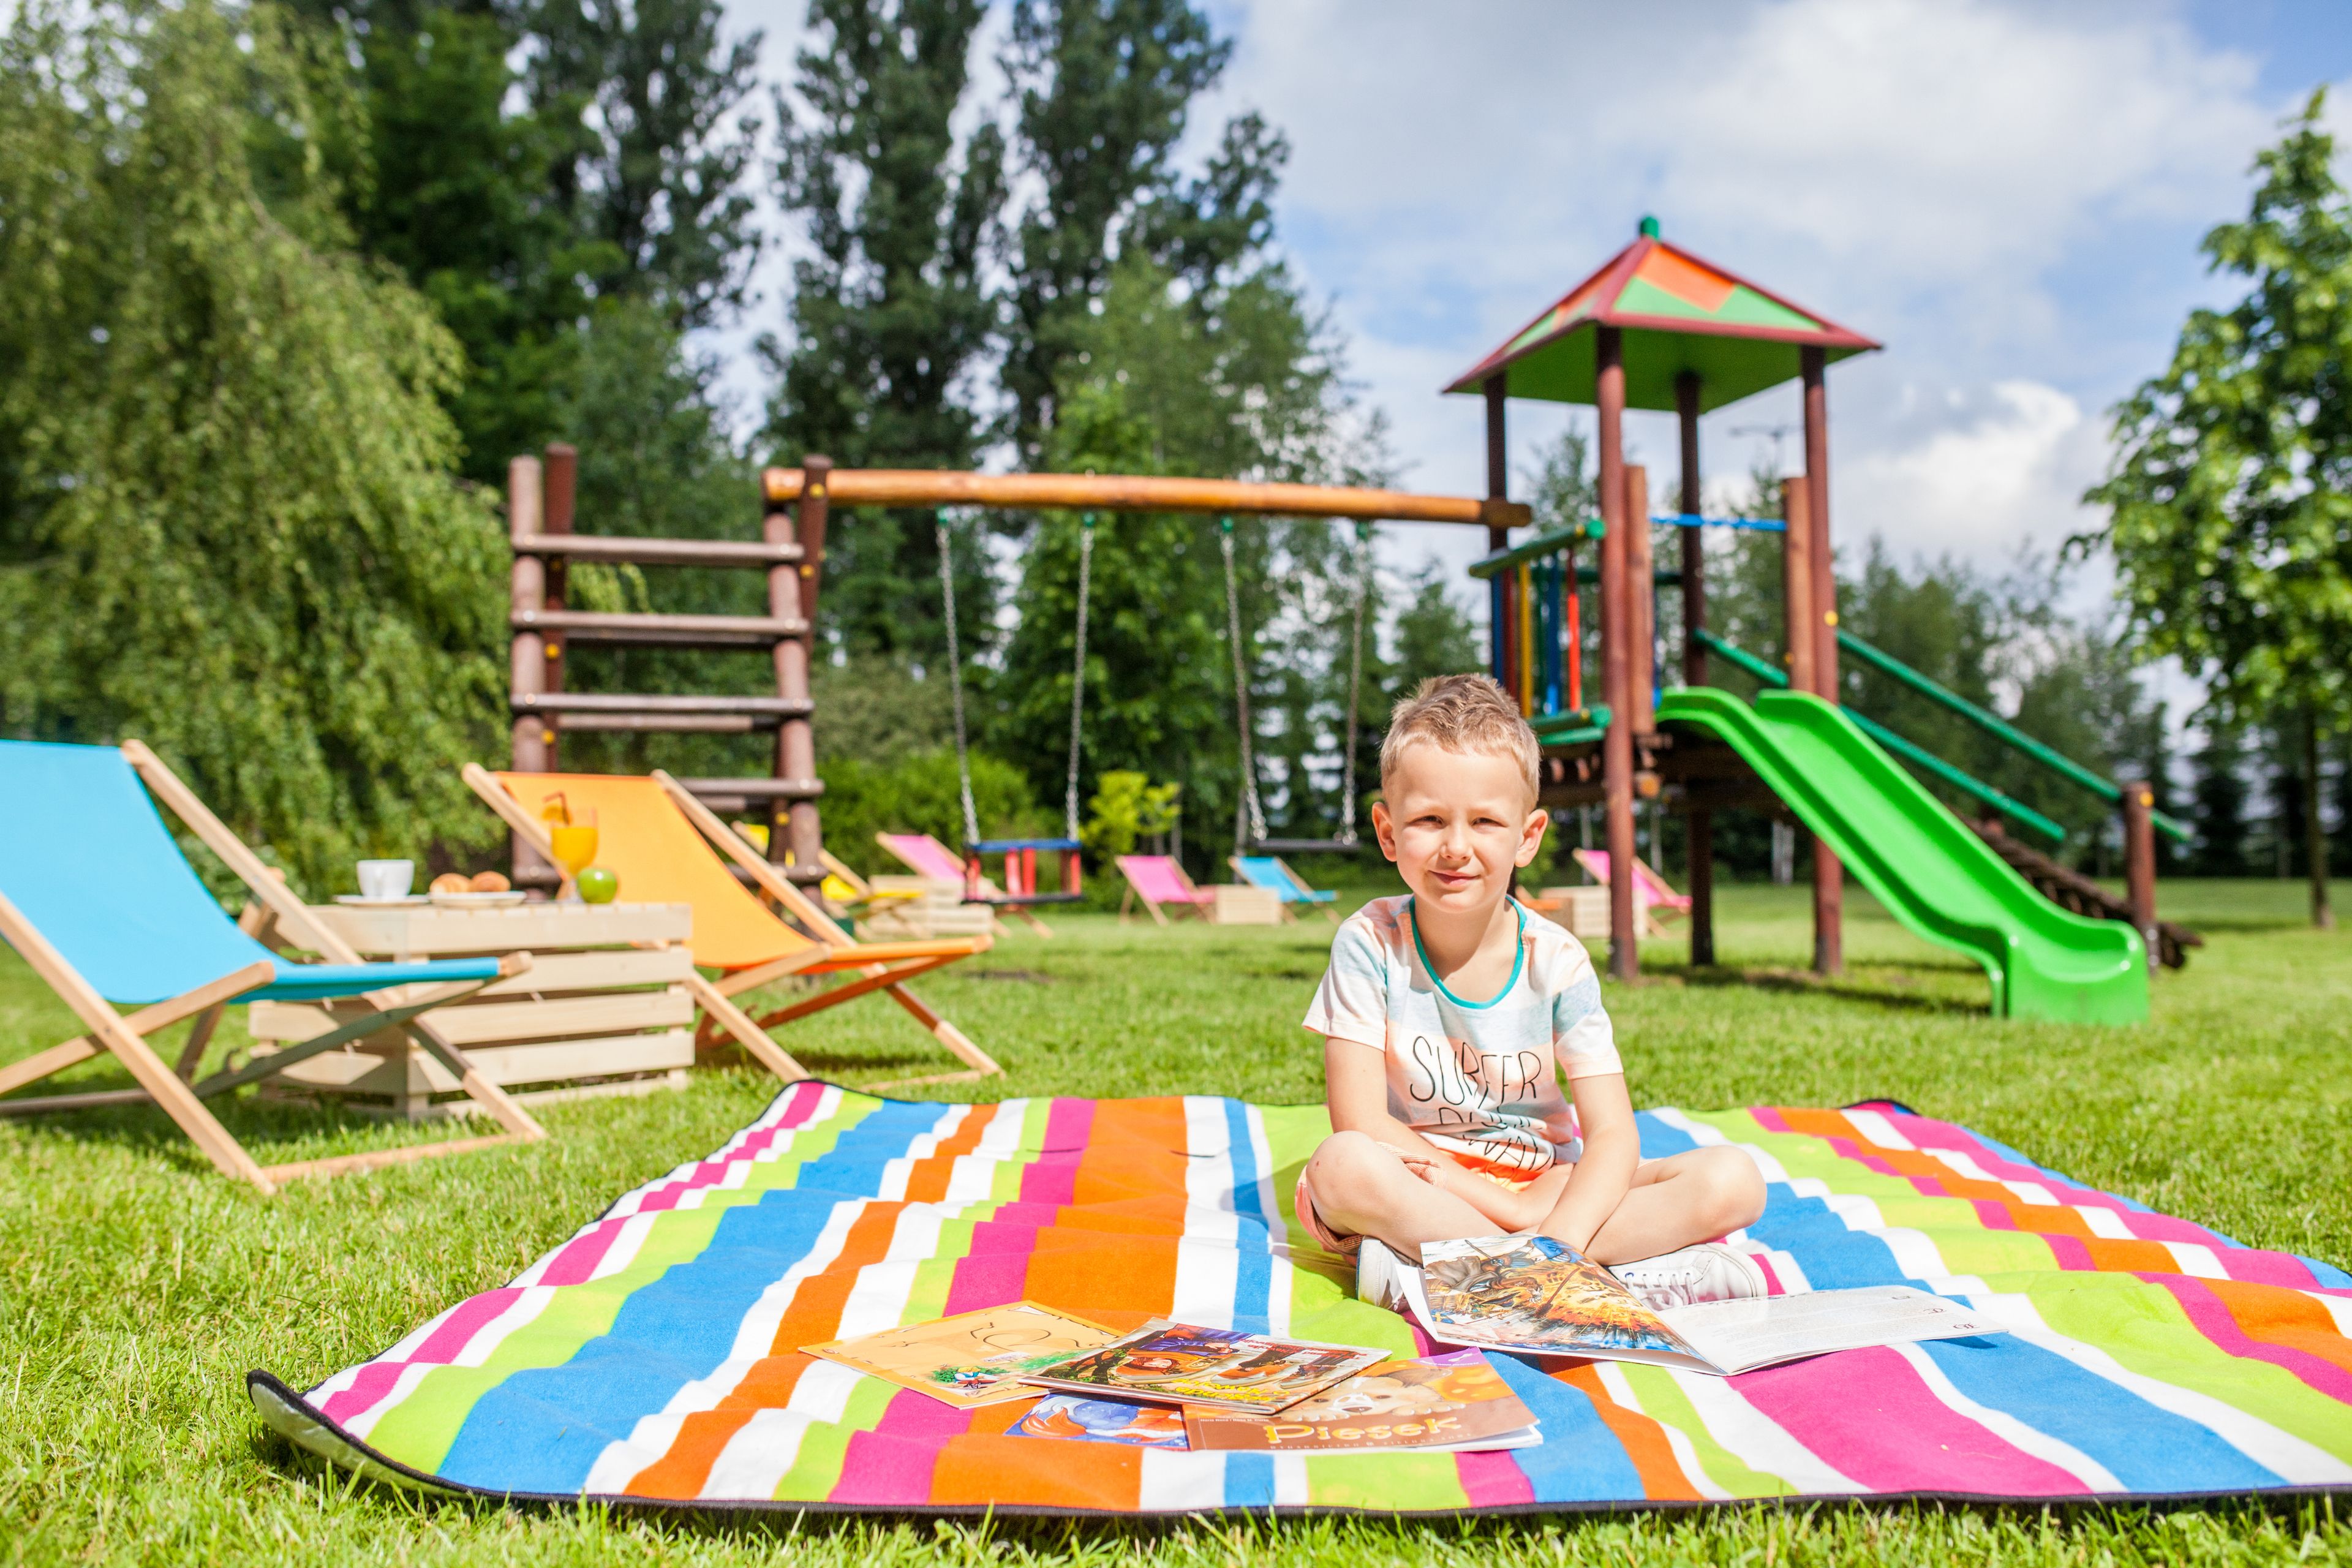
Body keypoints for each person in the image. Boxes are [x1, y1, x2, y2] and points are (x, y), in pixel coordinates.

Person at [1297, 674, 1768, 1308]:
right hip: (1421, 1183)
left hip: (1543, 1185)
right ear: (1388, 832)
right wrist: (1492, 1204)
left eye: (1486, 821)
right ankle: (1597, 1274)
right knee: (1341, 1165)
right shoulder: (1369, 943)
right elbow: (1359, 1120)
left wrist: (1556, 1232)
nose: (1456, 847)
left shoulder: (1558, 961)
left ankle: (1473, 1273)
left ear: (1528, 835)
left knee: (1734, 1179)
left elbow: (1614, 1138)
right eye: (1430, 819)